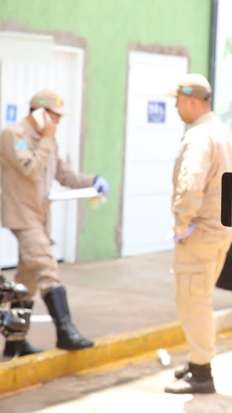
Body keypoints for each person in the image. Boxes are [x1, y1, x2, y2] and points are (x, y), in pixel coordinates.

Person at [0, 90, 110, 357]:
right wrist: (47, 140)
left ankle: (16, 342)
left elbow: (65, 174)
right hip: (22, 216)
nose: (56, 123)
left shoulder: (47, 141)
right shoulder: (15, 136)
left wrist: (92, 181)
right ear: (38, 112)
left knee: (27, 280)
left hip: (39, 216)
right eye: (54, 117)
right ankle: (65, 331)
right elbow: (30, 169)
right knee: (48, 268)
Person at [165, 74, 232, 394]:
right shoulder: (220, 132)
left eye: (178, 101)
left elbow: (190, 184)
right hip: (218, 230)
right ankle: (196, 362)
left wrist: (181, 223)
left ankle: (202, 373)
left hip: (200, 232)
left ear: (192, 101)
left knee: (193, 302)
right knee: (199, 298)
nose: (176, 108)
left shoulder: (199, 137)